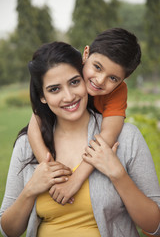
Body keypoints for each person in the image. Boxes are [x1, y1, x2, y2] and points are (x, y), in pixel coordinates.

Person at [0, 41, 160, 237]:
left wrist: (118, 175)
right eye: (54, 89)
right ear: (42, 96)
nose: (68, 96)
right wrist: (29, 191)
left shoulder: (126, 137)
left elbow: (155, 228)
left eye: (74, 82)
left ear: (85, 78)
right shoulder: (27, 144)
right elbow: (8, 231)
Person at [27, 28, 141, 204]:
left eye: (113, 78)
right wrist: (50, 170)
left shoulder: (117, 92)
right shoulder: (70, 71)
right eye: (97, 67)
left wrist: (75, 180)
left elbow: (107, 137)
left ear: (122, 80)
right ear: (86, 54)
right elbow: (34, 124)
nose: (100, 80)